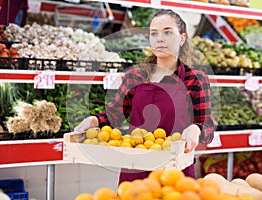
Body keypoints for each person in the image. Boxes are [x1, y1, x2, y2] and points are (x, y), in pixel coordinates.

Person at [74, 9, 216, 183]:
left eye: (168, 32)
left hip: (176, 173)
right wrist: (93, 121)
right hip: (135, 170)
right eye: (154, 33)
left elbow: (207, 127)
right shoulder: (135, 76)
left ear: (182, 38)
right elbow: (114, 116)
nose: (160, 39)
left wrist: (196, 129)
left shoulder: (194, 79)